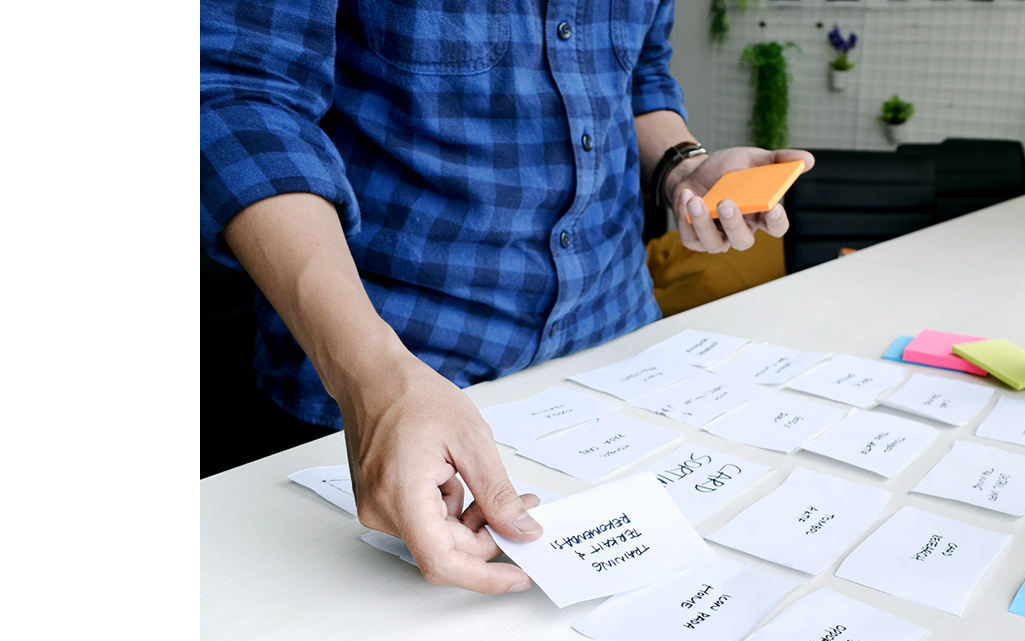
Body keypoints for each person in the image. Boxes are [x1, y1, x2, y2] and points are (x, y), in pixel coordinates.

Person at [200, 1, 813, 594]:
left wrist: (682, 165)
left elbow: (641, 71)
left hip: (615, 349)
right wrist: (371, 377)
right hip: (394, 381)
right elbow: (235, 96)